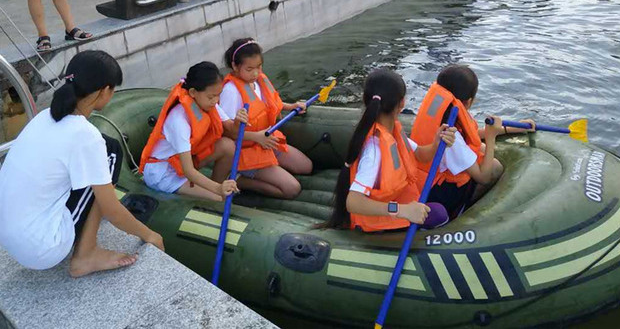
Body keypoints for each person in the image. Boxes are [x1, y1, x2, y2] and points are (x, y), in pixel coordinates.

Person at [0, 50, 164, 277]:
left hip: (10, 236)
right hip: (41, 247)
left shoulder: (44, 117)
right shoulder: (85, 135)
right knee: (111, 156)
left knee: (109, 147)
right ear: (105, 90)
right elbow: (112, 210)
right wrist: (149, 235)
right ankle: (86, 255)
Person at [322, 69, 456, 232]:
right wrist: (401, 210)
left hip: (398, 199)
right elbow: (353, 202)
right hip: (379, 217)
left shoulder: (392, 131)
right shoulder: (374, 149)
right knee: (439, 214)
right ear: (401, 104)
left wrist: (437, 143)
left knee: (439, 202)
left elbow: (421, 154)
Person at [411, 64, 535, 219]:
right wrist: (491, 137)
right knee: (495, 167)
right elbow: (483, 177)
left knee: (481, 149)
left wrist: (509, 129)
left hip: (421, 181)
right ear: (469, 102)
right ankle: (461, 212)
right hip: (434, 194)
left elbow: (471, 136)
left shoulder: (439, 112)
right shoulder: (452, 137)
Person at [219, 38, 313, 199]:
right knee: (292, 189)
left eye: (259, 67)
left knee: (306, 167)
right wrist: (256, 137)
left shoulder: (258, 80)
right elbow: (226, 132)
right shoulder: (230, 91)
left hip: (267, 141)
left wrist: (290, 106)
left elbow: (268, 103)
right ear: (235, 66)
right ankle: (237, 180)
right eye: (249, 69)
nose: (256, 73)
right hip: (246, 150)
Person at [140, 62, 242, 201]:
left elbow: (231, 128)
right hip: (164, 173)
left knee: (227, 146)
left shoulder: (207, 103)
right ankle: (216, 192)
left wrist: (238, 120)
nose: (216, 101)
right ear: (193, 92)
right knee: (218, 197)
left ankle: (217, 185)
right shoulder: (178, 120)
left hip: (182, 161)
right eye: (211, 97)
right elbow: (188, 170)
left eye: (218, 95)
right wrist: (218, 190)